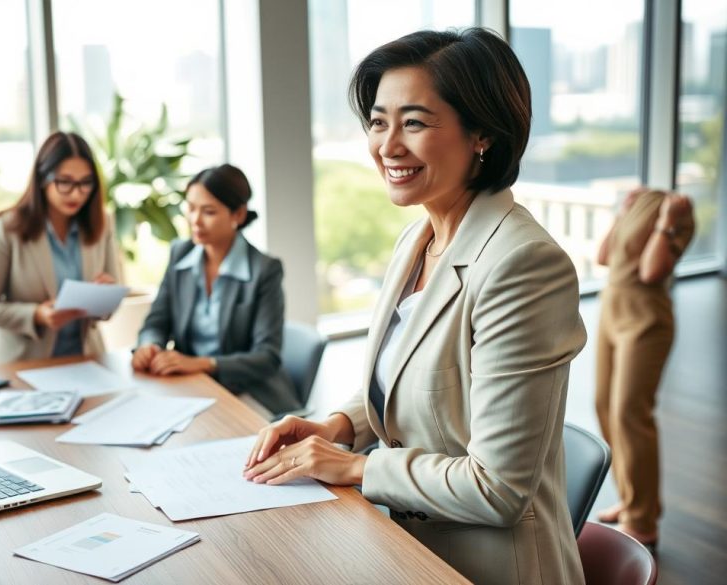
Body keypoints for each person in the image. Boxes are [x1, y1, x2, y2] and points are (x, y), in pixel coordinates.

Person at [243, 28, 587, 584]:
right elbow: (414, 377)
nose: (388, 145)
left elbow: (496, 489)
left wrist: (355, 466)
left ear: (482, 134)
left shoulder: (524, 265)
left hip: (490, 568)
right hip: (403, 548)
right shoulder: (418, 240)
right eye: (379, 121)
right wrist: (337, 426)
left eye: (415, 122)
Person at [131, 164, 299, 416]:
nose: (194, 220)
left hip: (248, 394)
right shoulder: (181, 254)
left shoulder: (265, 270)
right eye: (190, 208)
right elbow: (156, 321)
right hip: (194, 390)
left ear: (238, 215)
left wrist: (202, 364)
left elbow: (267, 357)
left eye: (208, 211)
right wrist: (149, 345)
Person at [593, 186, 694, 548]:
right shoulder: (636, 206)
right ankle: (634, 498)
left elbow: (652, 271)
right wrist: (622, 214)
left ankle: (643, 521)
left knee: (630, 415)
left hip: (646, 323)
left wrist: (665, 223)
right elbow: (603, 257)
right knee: (604, 407)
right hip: (611, 314)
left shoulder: (679, 214)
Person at [0, 131, 123, 363]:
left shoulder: (102, 223)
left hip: (84, 360)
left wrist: (107, 294)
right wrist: (36, 315)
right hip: (21, 363)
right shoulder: (7, 229)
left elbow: (113, 295)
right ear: (43, 179)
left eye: (85, 183)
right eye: (65, 182)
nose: (76, 193)